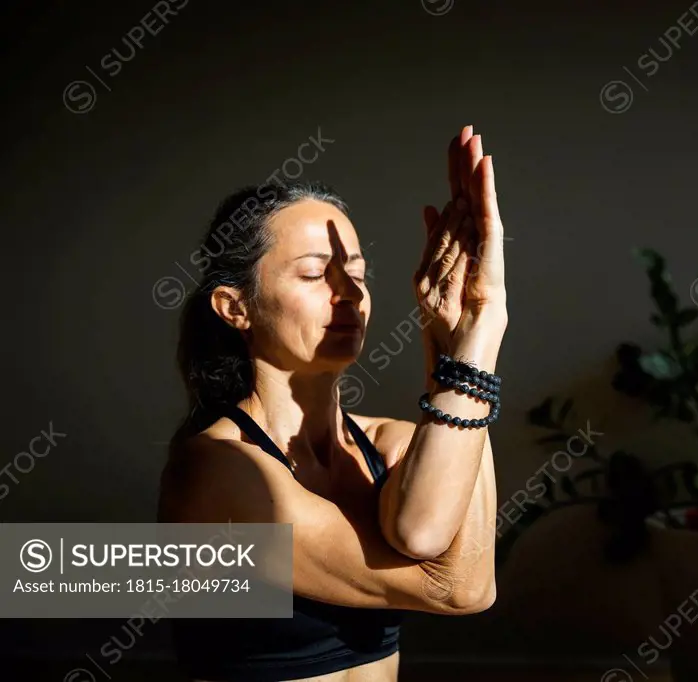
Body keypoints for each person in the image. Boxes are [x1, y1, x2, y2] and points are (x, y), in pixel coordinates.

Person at [157, 125, 506, 681]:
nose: (350, 291)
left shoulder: (394, 442)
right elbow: (458, 588)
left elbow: (425, 538)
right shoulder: (219, 469)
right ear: (234, 307)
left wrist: (459, 334)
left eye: (358, 274)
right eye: (317, 273)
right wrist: (482, 340)